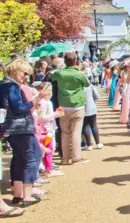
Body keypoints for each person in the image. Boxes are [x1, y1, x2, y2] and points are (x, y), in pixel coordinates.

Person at [0, 59, 42, 207]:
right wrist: (33, 103)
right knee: (32, 156)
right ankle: (27, 195)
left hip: (10, 128)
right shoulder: (11, 86)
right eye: (24, 73)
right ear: (16, 71)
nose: (25, 77)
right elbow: (18, 107)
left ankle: (17, 194)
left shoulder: (3, 84)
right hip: (20, 127)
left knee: (18, 159)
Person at [51, 52, 89, 165]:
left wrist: (61, 67)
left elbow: (51, 74)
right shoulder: (79, 74)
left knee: (65, 132)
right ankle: (76, 157)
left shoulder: (60, 73)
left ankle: (65, 158)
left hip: (63, 105)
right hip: (77, 105)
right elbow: (87, 84)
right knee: (76, 132)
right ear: (75, 61)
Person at [35, 82, 64, 177]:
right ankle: (48, 170)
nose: (50, 93)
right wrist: (55, 114)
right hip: (45, 130)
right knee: (48, 149)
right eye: (48, 90)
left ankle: (46, 168)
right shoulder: (43, 103)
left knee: (48, 150)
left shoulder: (46, 102)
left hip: (48, 128)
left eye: (51, 90)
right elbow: (41, 118)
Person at [82, 78, 103, 151]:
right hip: (92, 108)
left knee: (85, 126)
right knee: (94, 125)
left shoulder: (79, 88)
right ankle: (98, 143)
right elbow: (97, 96)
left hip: (83, 109)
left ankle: (89, 144)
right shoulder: (90, 86)